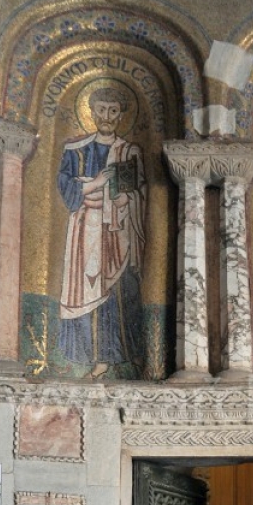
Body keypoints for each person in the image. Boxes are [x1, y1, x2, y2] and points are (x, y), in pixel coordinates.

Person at [57, 85, 146, 378]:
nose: (107, 116)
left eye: (113, 111)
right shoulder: (76, 149)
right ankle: (85, 358)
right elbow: (65, 186)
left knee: (119, 290)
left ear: (120, 115)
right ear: (92, 112)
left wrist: (127, 199)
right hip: (85, 230)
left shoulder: (129, 151)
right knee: (84, 289)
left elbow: (139, 190)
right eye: (101, 110)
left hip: (117, 231)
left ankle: (119, 358)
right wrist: (95, 184)